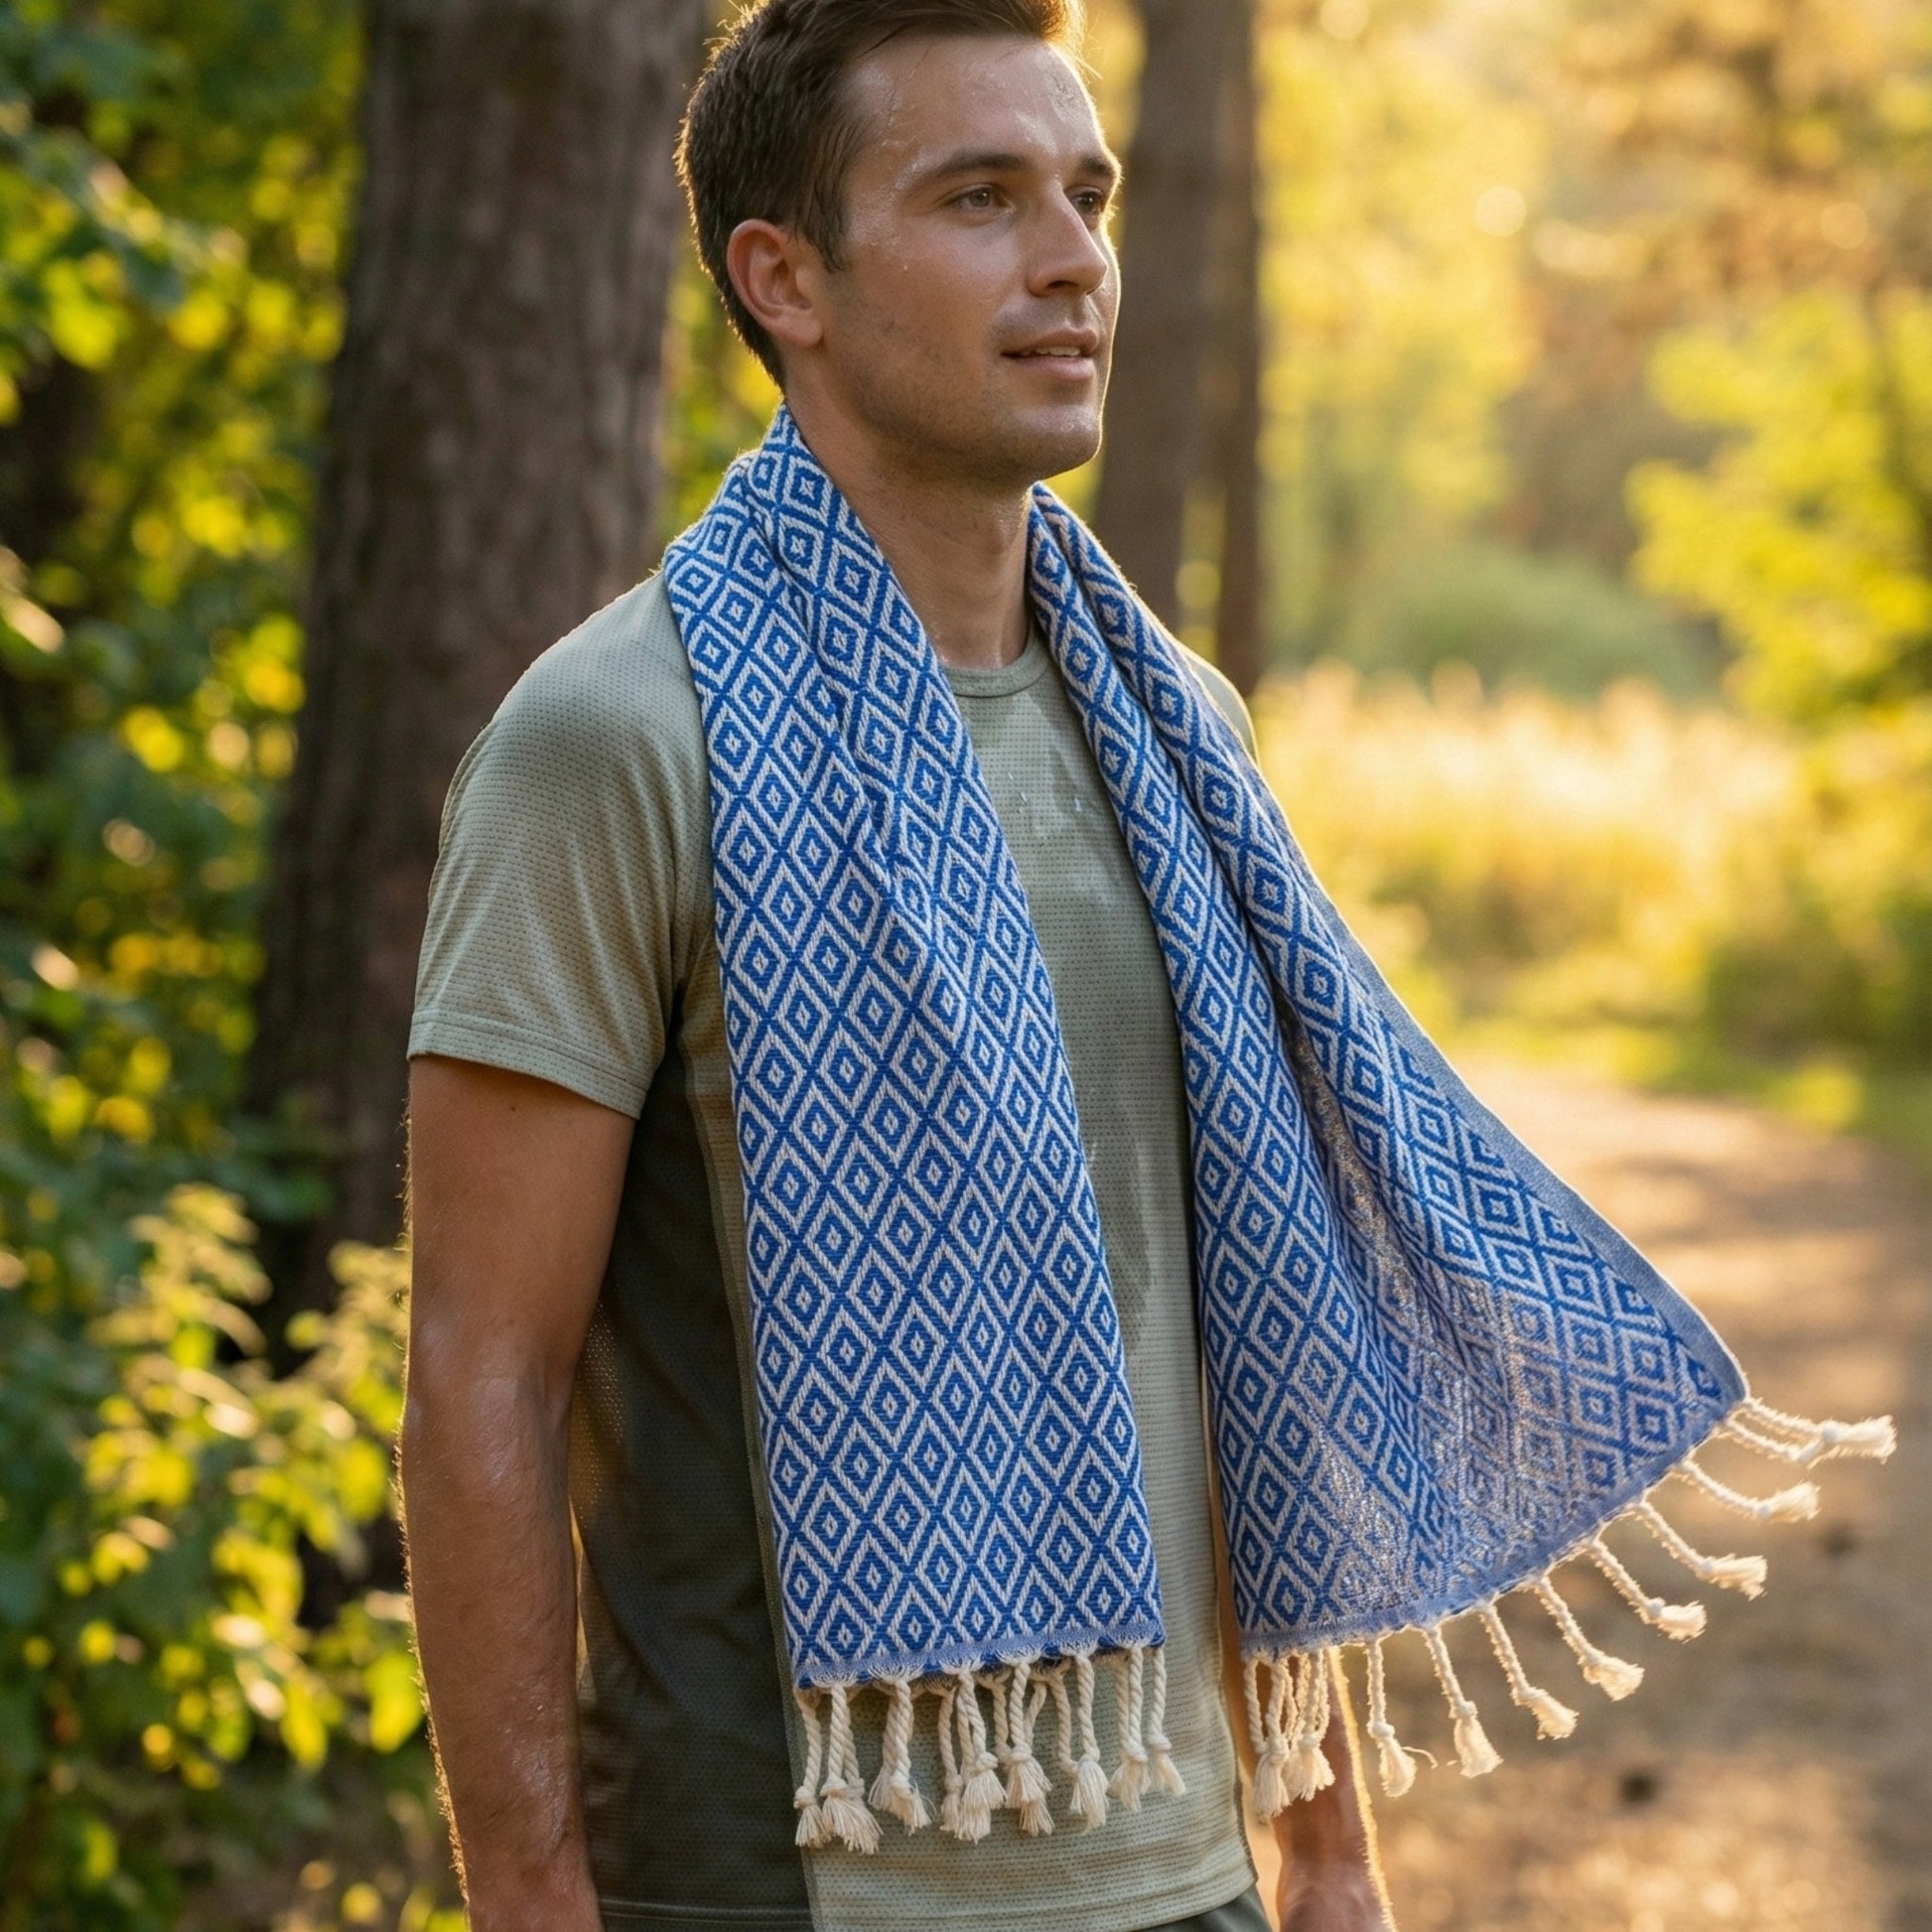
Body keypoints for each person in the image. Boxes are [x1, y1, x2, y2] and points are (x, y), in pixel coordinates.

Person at [404, 2, 1395, 1928]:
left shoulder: (1176, 725)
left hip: (1171, 1856)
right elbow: (479, 1374)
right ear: (786, 280)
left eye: (1084, 196)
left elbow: (1247, 1308)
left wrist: (1328, 1837)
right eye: (977, 197)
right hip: (779, 1872)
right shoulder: (616, 736)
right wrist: (528, 1896)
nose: (1070, 260)